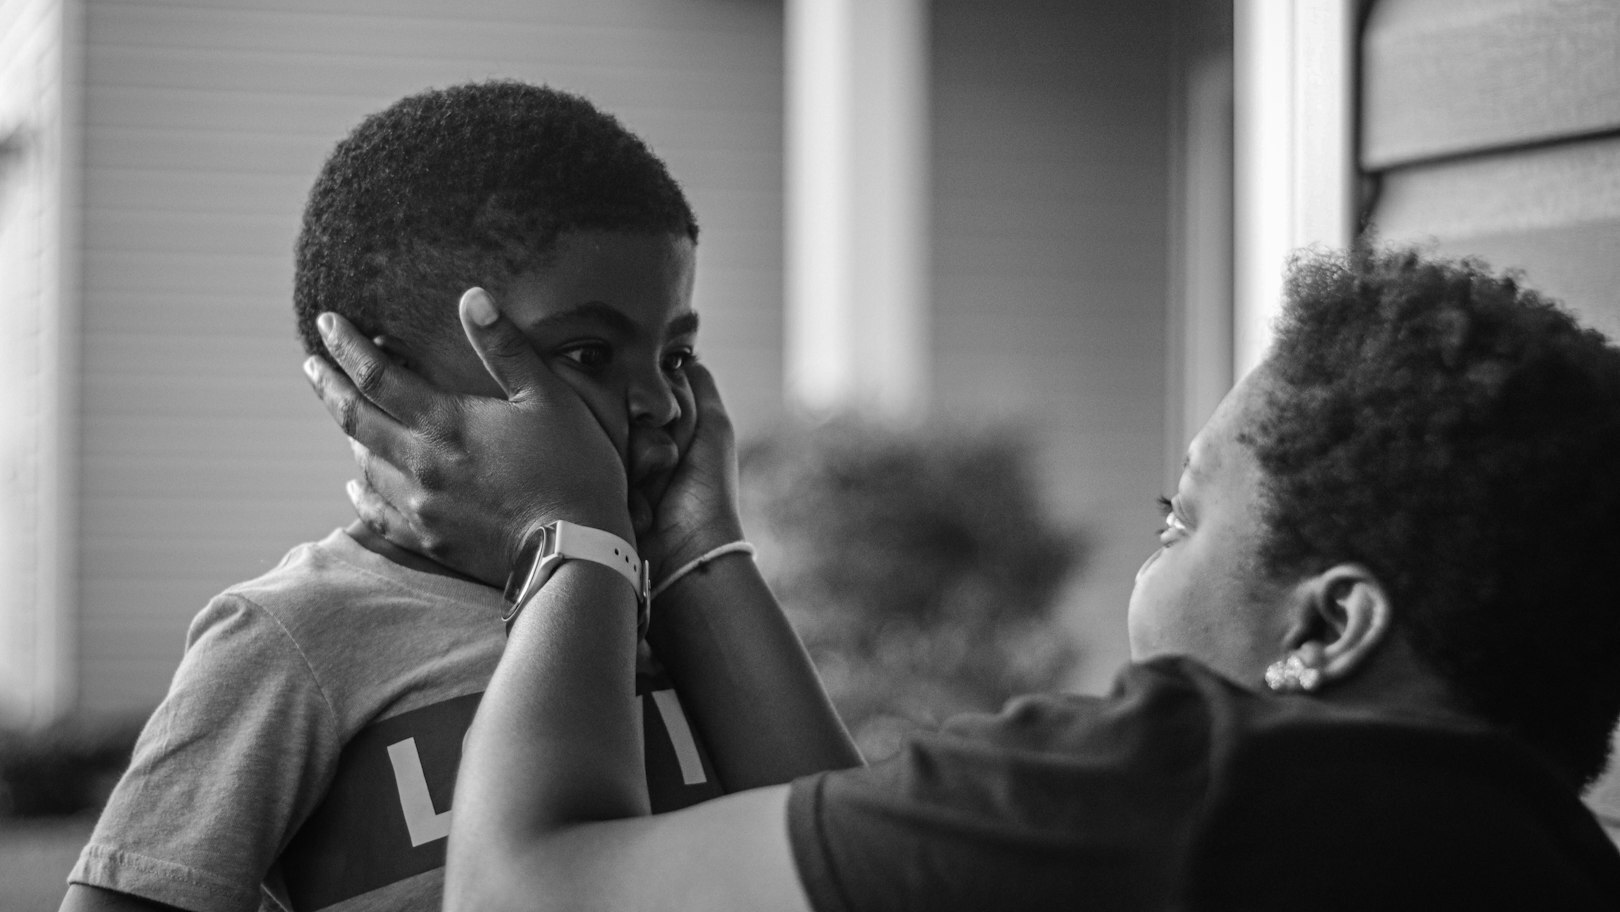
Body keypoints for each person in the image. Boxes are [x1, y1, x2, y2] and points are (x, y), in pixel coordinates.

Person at [306, 245, 1620, 909]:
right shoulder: (1536, 858)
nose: (1153, 555)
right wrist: (699, 547)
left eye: (1179, 519)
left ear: (1327, 626)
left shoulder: (1205, 786)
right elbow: (868, 867)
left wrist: (570, 531)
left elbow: (528, 895)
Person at [62, 81, 857, 912]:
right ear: (387, 378)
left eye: (676, 357)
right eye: (588, 354)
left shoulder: (685, 617)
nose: (660, 401)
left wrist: (703, 553)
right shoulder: (294, 636)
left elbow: (854, 874)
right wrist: (576, 535)